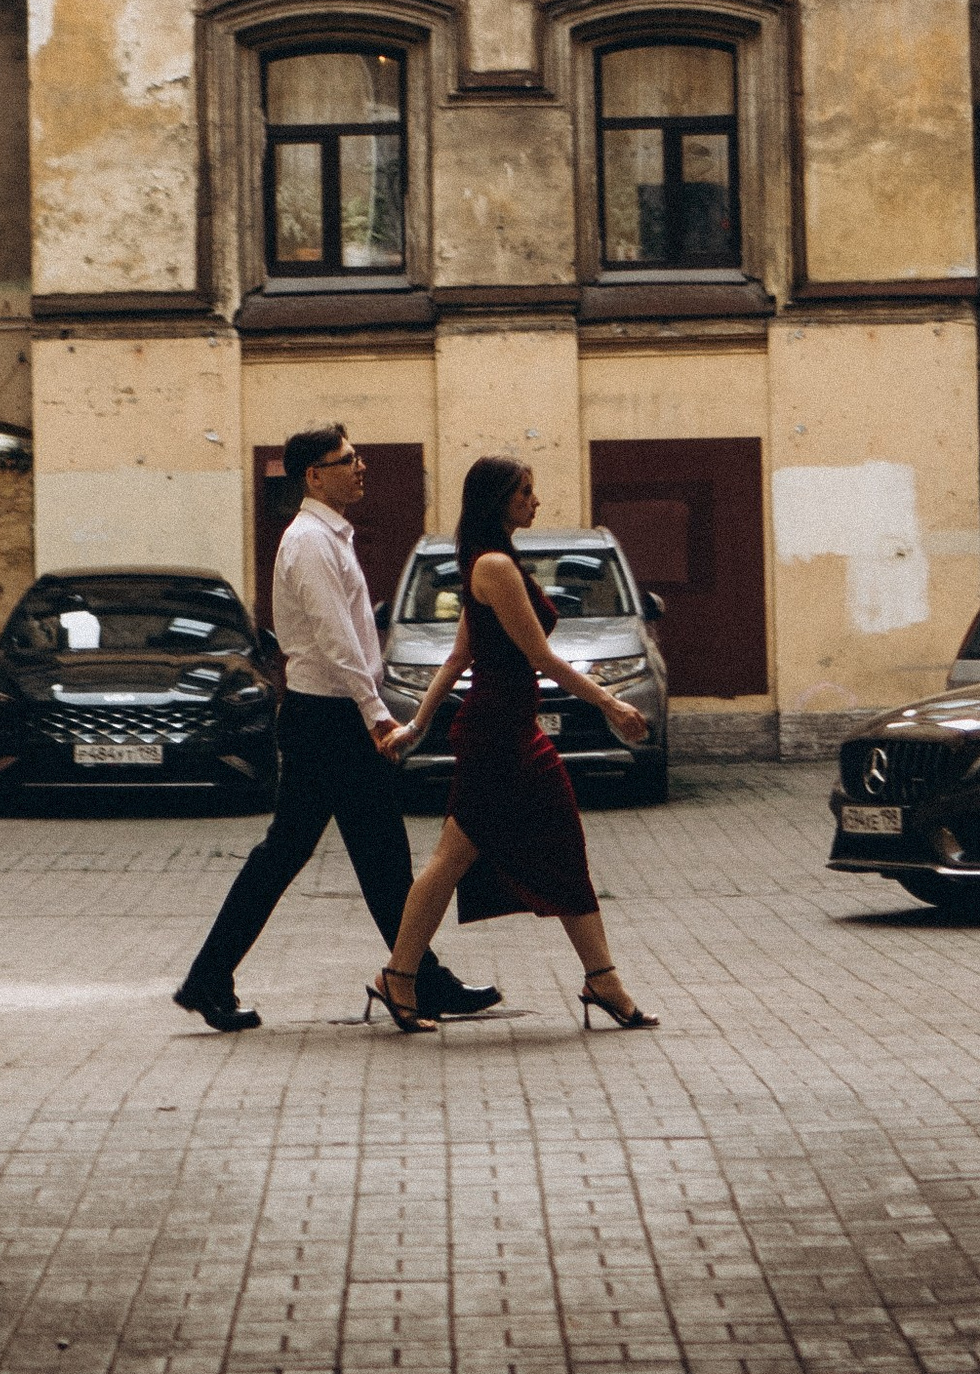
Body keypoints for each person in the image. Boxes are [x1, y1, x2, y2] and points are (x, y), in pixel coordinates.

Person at [172, 425, 504, 1034]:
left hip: (323, 717)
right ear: (313, 477)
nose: (360, 467)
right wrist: (376, 713)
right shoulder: (309, 543)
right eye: (345, 460)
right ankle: (415, 980)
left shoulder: (326, 537)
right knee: (357, 854)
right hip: (329, 719)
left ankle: (213, 978)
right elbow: (337, 641)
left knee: (342, 855)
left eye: (357, 456)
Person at [373, 452, 658, 1034]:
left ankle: (600, 978)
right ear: (499, 499)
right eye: (525, 490)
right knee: (453, 858)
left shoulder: (490, 561)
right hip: (500, 737)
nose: (536, 500)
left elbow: (459, 656)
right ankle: (398, 979)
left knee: (541, 849)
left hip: (507, 732)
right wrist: (610, 704)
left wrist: (415, 728)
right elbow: (541, 657)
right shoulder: (496, 566)